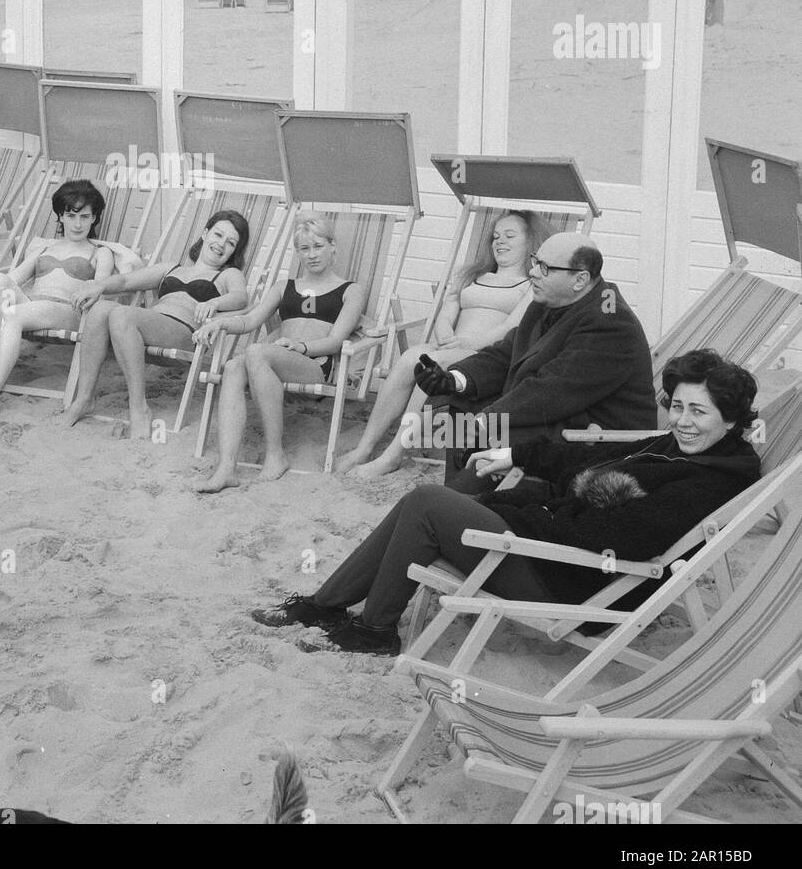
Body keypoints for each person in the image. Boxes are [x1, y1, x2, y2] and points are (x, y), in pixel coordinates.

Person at [251, 349, 761, 656]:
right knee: (451, 489)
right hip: (551, 549)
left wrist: (519, 513)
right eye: (677, 406)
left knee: (429, 501)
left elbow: (616, 540)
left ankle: (375, 629)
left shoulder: (709, 482)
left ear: (733, 420)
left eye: (700, 411)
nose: (684, 420)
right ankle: (325, 606)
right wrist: (514, 455)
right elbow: (587, 460)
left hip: (573, 583)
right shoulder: (673, 447)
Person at [412, 232, 655, 484]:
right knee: (459, 401)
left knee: (491, 426)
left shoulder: (610, 321)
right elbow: (508, 353)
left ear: (580, 279)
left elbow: (554, 389)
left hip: (593, 437)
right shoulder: (550, 300)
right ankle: (462, 491)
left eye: (545, 268)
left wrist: (486, 419)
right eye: (535, 261)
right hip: (557, 415)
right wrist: (454, 379)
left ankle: (467, 503)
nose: (533, 272)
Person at [335, 211, 547, 476]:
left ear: (530, 242)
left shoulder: (531, 285)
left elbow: (511, 328)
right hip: (449, 347)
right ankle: (364, 448)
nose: (499, 242)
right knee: (411, 357)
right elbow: (446, 313)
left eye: (509, 236)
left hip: (486, 359)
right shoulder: (471, 275)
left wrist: (466, 342)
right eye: (495, 236)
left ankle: (392, 455)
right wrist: (446, 332)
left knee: (431, 367)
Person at [195, 213, 367, 492]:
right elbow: (250, 321)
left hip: (314, 364)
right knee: (233, 367)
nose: (311, 255)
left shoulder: (351, 290)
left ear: (333, 247)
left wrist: (301, 346)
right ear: (297, 252)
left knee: (256, 353)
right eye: (304, 248)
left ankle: (275, 454)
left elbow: (336, 341)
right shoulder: (284, 286)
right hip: (275, 360)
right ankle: (227, 467)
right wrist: (220, 321)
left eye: (318, 246)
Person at [62, 210, 252, 439]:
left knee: (122, 315)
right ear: (205, 233)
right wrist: (100, 287)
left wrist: (215, 301)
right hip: (150, 325)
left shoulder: (228, 274)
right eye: (218, 235)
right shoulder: (172, 268)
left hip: (185, 332)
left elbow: (241, 297)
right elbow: (126, 281)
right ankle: (84, 398)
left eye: (231, 243)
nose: (221, 244)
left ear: (234, 251)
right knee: (101, 308)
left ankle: (139, 407)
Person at [0, 179, 115, 424]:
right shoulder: (44, 248)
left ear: (94, 219)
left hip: (68, 311)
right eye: (71, 216)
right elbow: (12, 279)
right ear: (61, 216)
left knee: (12, 315)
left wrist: (89, 290)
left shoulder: (100, 252)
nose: (78, 223)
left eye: (85, 217)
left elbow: (100, 290)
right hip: (31, 305)